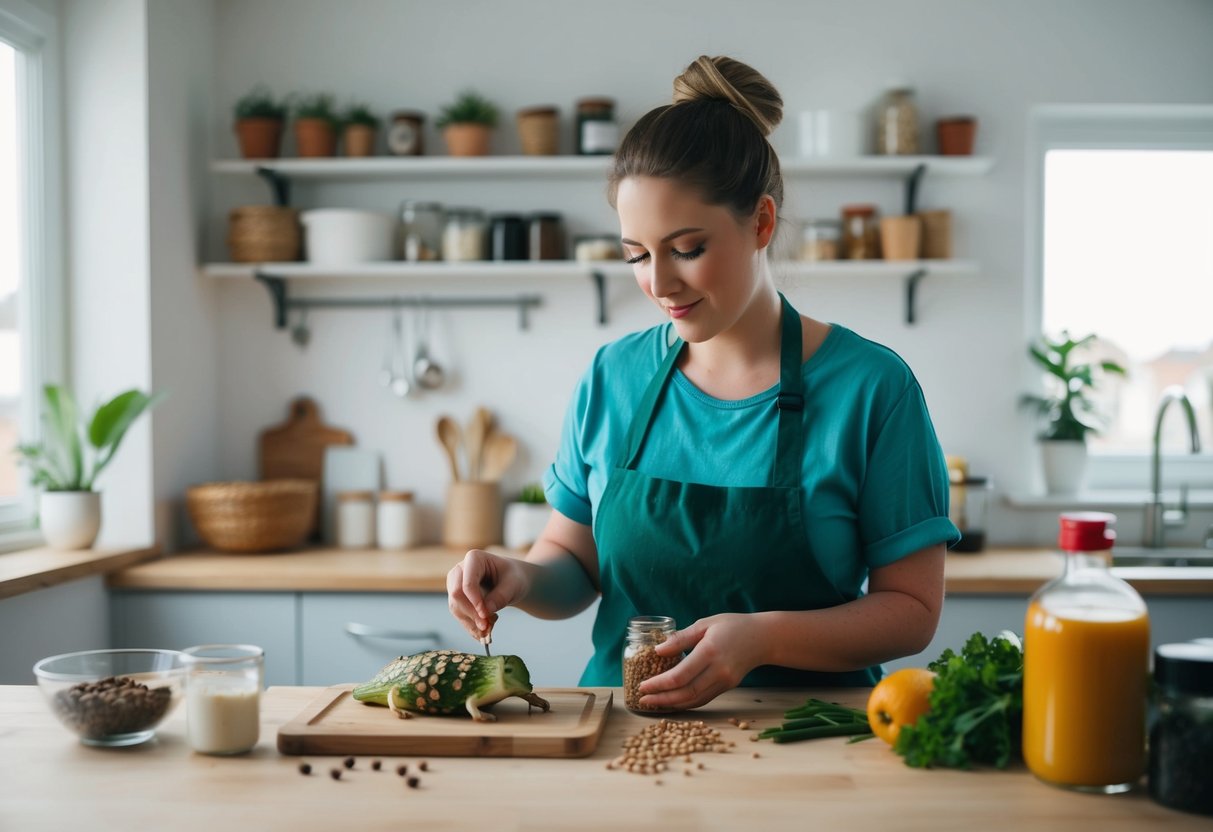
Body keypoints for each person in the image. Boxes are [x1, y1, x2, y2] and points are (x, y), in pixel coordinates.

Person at [447, 55, 959, 711]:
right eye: (636, 254)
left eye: (686, 248)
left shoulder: (872, 389)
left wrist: (763, 639)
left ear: (761, 224)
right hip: (625, 738)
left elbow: (911, 611)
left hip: (808, 746)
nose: (658, 284)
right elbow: (575, 567)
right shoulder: (614, 377)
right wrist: (515, 576)